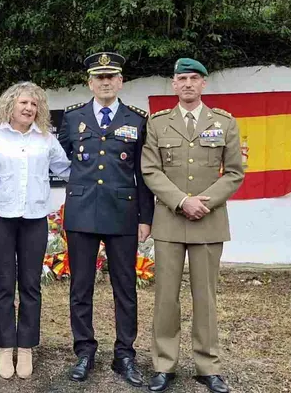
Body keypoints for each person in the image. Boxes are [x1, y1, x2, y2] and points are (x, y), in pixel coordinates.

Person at [141, 58, 244, 393]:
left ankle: (208, 366)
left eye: (193, 78)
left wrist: (204, 202)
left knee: (206, 297)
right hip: (170, 220)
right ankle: (163, 364)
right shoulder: (158, 123)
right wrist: (183, 201)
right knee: (166, 297)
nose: (187, 84)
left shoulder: (224, 122)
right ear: (173, 84)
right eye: (181, 78)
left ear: (203, 84)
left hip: (209, 221)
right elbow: (150, 170)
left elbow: (234, 172)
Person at [0, 82, 70, 379]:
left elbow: (67, 169)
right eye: (23, 103)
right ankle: (4, 346)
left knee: (31, 285)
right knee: (5, 284)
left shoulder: (46, 140)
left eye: (34, 105)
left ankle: (26, 347)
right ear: (10, 105)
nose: (28, 108)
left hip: (34, 218)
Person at [57, 52, 154, 385]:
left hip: (123, 215)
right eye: (99, 77)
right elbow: (60, 162)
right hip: (82, 213)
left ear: (121, 81)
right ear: (90, 82)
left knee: (125, 288)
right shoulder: (72, 118)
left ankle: (124, 354)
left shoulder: (138, 119)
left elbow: (144, 173)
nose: (105, 82)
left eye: (111, 77)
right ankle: (84, 351)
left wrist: (146, 217)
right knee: (80, 288)